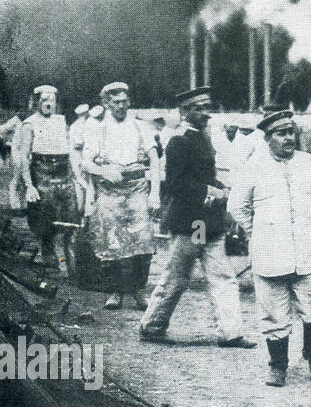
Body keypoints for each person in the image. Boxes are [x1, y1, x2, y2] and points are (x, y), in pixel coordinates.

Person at [139, 87, 255, 347]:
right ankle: (151, 326)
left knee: (222, 276)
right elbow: (177, 184)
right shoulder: (179, 140)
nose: (205, 113)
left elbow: (203, 176)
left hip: (205, 223)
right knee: (177, 276)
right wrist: (211, 190)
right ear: (184, 111)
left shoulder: (202, 137)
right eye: (199, 108)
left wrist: (221, 187)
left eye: (207, 107)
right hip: (191, 223)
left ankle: (230, 333)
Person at [229, 109, 311, 387]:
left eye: (291, 133)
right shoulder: (254, 167)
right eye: (281, 134)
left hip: (308, 253)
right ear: (267, 138)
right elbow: (237, 206)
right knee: (274, 315)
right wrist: (257, 232)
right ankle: (278, 366)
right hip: (269, 254)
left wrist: (309, 224)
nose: (288, 138)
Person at [81, 84, 160, 310]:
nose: (121, 106)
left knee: (142, 240)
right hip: (109, 189)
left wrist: (155, 194)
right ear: (107, 103)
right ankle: (115, 291)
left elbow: (154, 160)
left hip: (137, 187)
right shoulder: (97, 127)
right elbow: (86, 162)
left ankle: (138, 290)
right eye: (116, 102)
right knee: (112, 240)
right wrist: (103, 170)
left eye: (124, 101)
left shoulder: (139, 126)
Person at [13, 86, 79, 271]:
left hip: (64, 171)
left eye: (52, 100)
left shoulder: (61, 121)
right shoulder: (29, 124)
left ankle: (69, 264)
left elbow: (70, 150)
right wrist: (29, 185)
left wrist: (77, 176)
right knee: (45, 222)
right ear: (36, 102)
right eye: (44, 100)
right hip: (42, 172)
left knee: (70, 219)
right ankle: (49, 261)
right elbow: (24, 157)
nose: (49, 104)